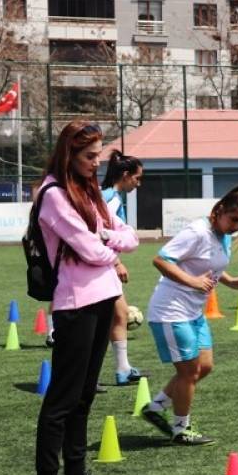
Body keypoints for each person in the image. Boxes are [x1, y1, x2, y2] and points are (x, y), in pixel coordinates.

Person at [30, 120, 139, 475]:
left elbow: (127, 235)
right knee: (62, 398)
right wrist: (108, 247)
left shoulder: (89, 189)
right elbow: (90, 251)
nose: (97, 163)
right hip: (74, 302)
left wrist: (107, 239)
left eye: (99, 155)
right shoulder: (53, 194)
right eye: (89, 156)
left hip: (104, 296)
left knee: (85, 395)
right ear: (69, 154)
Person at [140, 185, 238, 446]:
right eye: (234, 219)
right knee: (189, 372)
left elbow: (211, 266)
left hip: (194, 313)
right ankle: (181, 428)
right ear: (218, 210)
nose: (236, 226)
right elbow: (161, 260)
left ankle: (155, 407)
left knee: (204, 367)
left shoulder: (222, 234)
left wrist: (231, 281)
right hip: (171, 311)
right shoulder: (197, 231)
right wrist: (192, 282)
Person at [100, 150, 145, 386]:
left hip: (104, 265)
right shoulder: (110, 198)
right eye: (137, 178)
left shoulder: (111, 196)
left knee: (119, 315)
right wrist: (116, 262)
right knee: (106, 320)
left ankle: (123, 369)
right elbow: (99, 233)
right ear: (126, 175)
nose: (138, 184)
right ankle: (88, 376)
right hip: (100, 266)